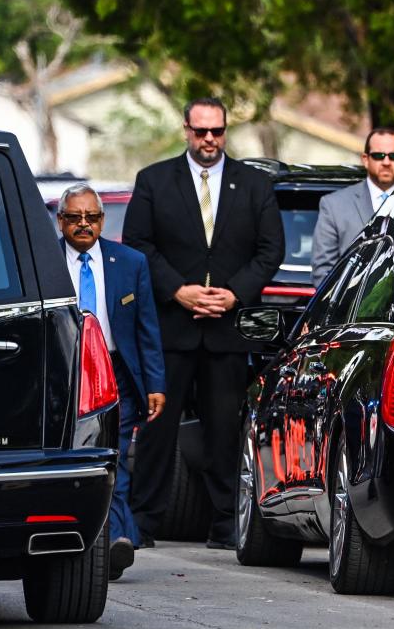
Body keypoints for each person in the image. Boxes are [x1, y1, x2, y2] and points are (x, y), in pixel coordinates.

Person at [123, 97, 285, 550]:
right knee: (157, 428)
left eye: (217, 131)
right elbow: (138, 243)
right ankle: (142, 522)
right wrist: (178, 290)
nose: (209, 140)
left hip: (226, 329)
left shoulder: (254, 184)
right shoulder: (154, 180)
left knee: (224, 429)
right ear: (186, 131)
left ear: (225, 132)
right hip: (171, 327)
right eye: (201, 132)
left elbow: (271, 250)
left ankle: (225, 523)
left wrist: (234, 293)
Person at [56, 183, 166, 580]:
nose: (83, 225)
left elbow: (146, 329)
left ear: (103, 221)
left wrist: (155, 384)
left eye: (91, 217)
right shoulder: (44, 261)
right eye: (74, 217)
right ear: (61, 220)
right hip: (64, 372)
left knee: (113, 455)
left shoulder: (130, 262)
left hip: (115, 372)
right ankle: (93, 541)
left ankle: (116, 539)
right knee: (75, 456)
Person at [311, 127, 394, 287]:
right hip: (349, 309)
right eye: (378, 156)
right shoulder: (334, 205)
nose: (386, 162)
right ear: (365, 159)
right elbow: (323, 273)